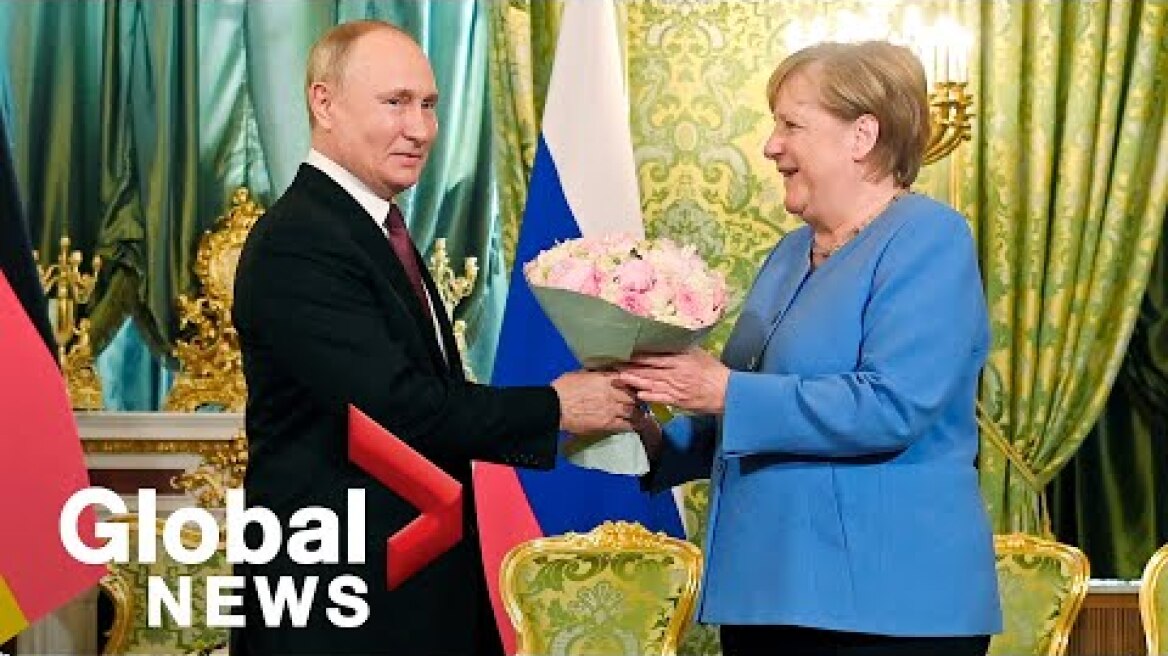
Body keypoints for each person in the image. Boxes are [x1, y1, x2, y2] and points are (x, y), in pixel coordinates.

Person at [231, 20, 635, 656]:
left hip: (405, 593)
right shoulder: (301, 241)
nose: (419, 129)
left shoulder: (368, 227)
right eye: (394, 103)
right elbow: (396, 409)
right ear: (324, 103)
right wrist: (558, 406)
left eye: (428, 105)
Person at [619, 41, 1002, 656]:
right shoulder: (789, 254)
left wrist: (722, 390)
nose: (772, 145)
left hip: (887, 607)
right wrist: (654, 433)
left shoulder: (929, 239)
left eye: (790, 124)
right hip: (770, 590)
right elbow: (746, 408)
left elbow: (892, 405)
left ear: (862, 135)